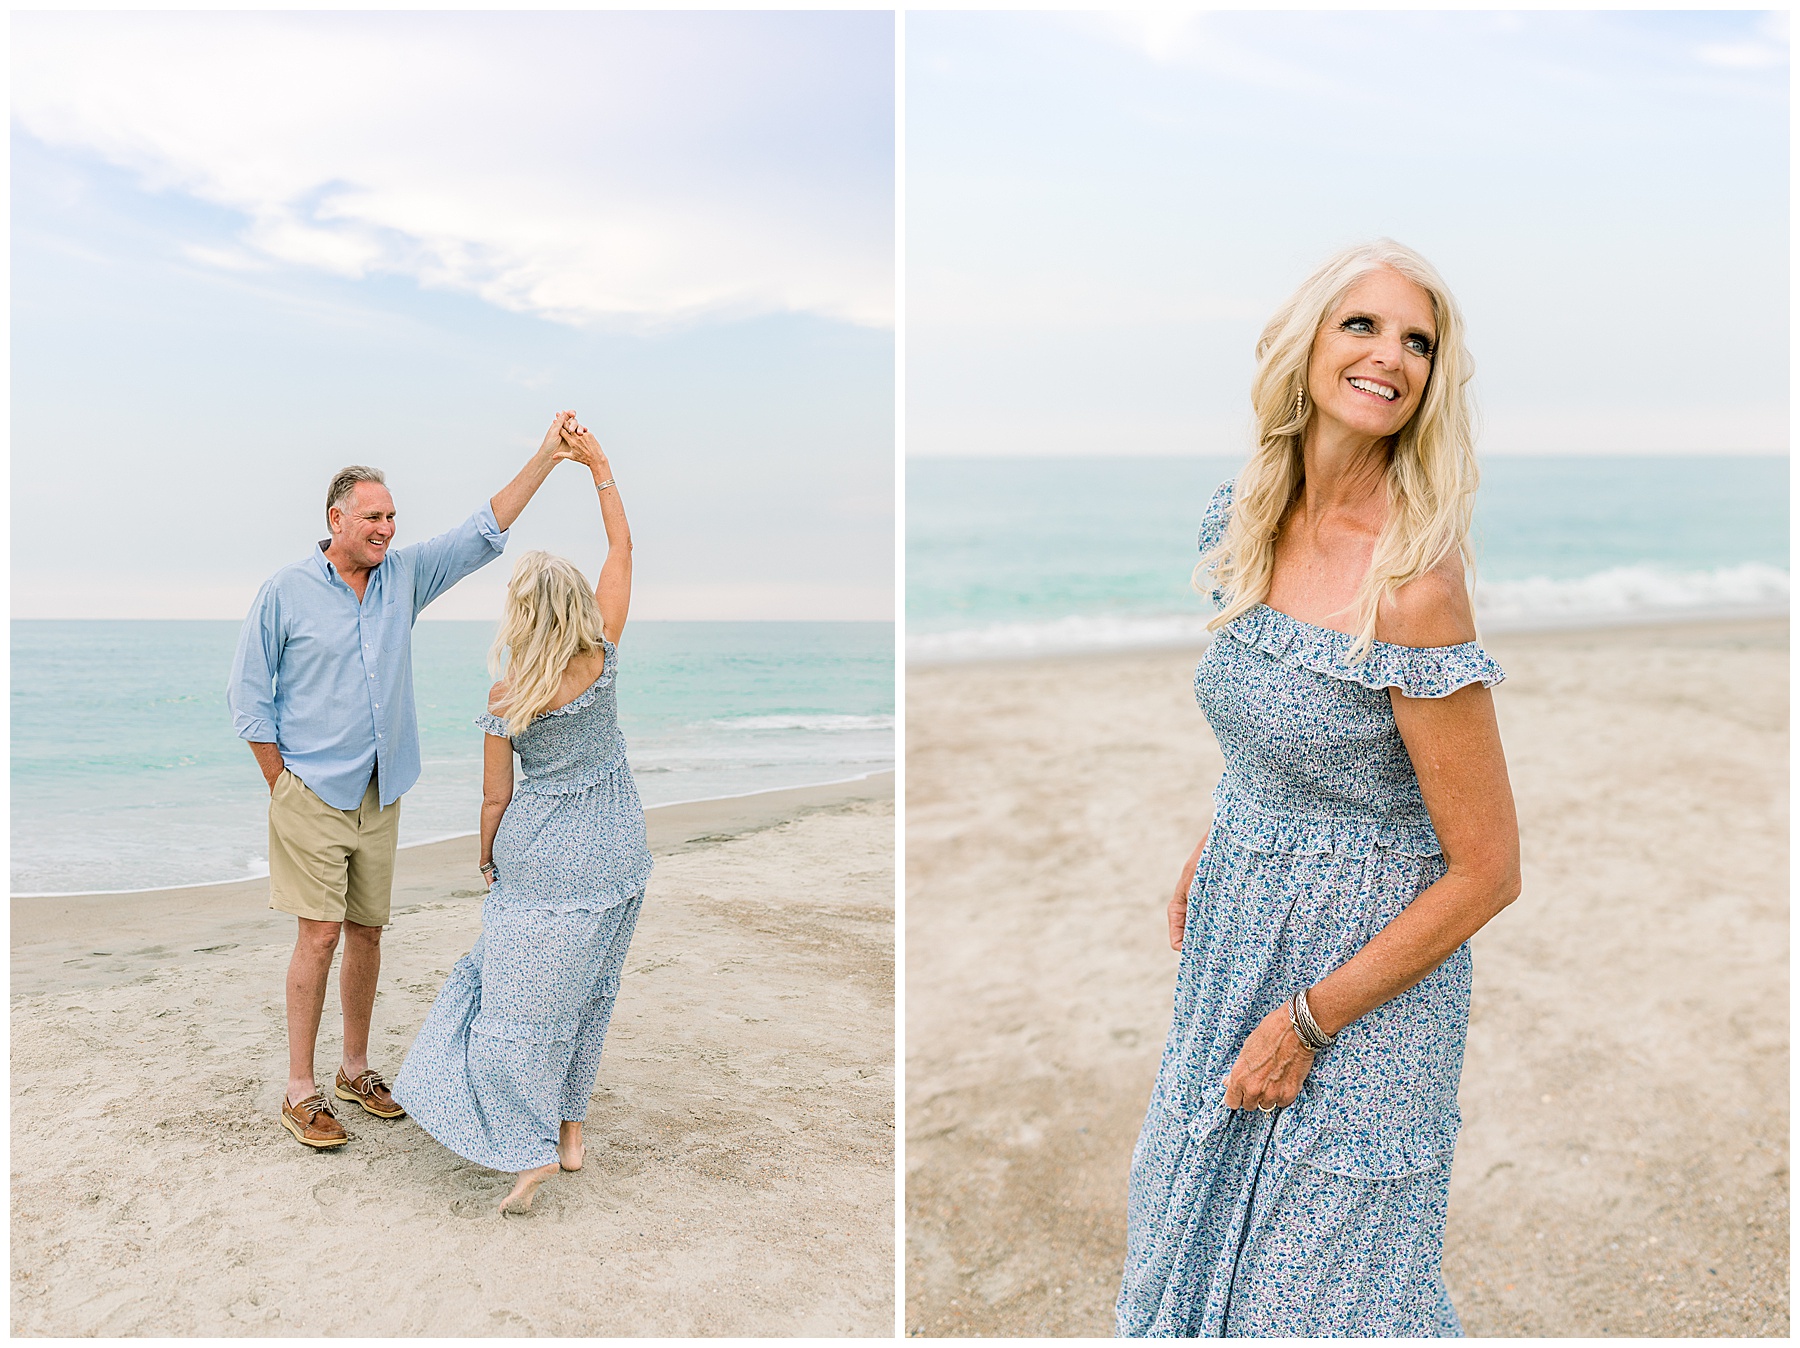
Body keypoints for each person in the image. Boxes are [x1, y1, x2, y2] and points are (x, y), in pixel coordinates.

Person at [1115, 240, 1522, 1336]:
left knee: (1321, 1301)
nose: (1392, 356)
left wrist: (1308, 1019)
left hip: (1369, 979)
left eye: (1419, 341)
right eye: (1364, 325)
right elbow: (1263, 727)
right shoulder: (1244, 517)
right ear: (1304, 346)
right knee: (1194, 1237)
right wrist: (1218, 837)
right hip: (1238, 937)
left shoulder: (1416, 583)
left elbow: (1489, 871)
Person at [227, 413, 579, 1150]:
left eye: (392, 516)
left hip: (381, 793)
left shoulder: (404, 578)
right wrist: (282, 786)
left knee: (366, 933)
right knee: (317, 936)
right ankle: (301, 1090)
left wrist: (548, 455)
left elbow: (482, 531)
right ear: (337, 519)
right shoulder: (285, 592)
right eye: (374, 516)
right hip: (310, 794)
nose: (387, 527)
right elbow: (249, 701)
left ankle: (356, 1070)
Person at [393, 419, 651, 1214]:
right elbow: (623, 552)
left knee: (508, 995)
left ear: (520, 615)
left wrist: (487, 858)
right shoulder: (601, 656)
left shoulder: (508, 697)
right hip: (613, 850)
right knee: (591, 990)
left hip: (538, 856)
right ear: (573, 608)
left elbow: (495, 799)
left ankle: (528, 1140)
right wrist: (598, 465)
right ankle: (567, 1135)